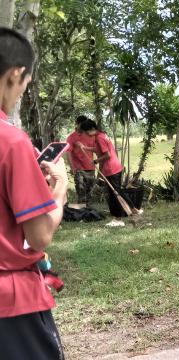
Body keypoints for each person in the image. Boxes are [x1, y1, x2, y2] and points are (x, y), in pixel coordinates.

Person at [0, 28, 67, 359]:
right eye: (25, 86)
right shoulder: (12, 143)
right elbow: (39, 236)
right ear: (16, 74)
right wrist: (59, 196)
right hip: (11, 308)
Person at [79, 119, 135, 219]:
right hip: (113, 167)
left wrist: (95, 161)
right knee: (113, 192)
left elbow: (107, 155)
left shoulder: (99, 137)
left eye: (87, 131)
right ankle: (117, 212)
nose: (86, 134)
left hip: (111, 168)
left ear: (92, 128)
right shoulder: (101, 135)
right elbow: (98, 149)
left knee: (116, 192)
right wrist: (85, 148)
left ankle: (126, 211)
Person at [66, 115, 96, 206]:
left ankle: (89, 211)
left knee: (89, 192)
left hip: (91, 167)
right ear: (77, 124)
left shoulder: (89, 135)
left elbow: (96, 148)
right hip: (79, 169)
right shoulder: (71, 137)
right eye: (82, 124)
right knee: (81, 191)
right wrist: (72, 168)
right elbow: (68, 153)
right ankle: (82, 211)